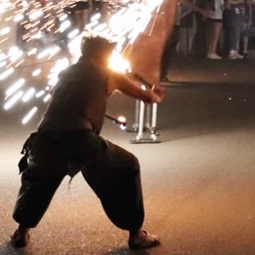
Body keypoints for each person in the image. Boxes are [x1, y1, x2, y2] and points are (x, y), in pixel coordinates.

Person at [11, 36, 164, 250]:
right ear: (103, 54)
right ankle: (136, 235)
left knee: (37, 184)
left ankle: (21, 232)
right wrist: (156, 94)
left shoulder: (65, 73)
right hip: (81, 141)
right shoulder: (108, 73)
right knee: (128, 166)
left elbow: (63, 98)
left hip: (43, 140)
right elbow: (147, 97)